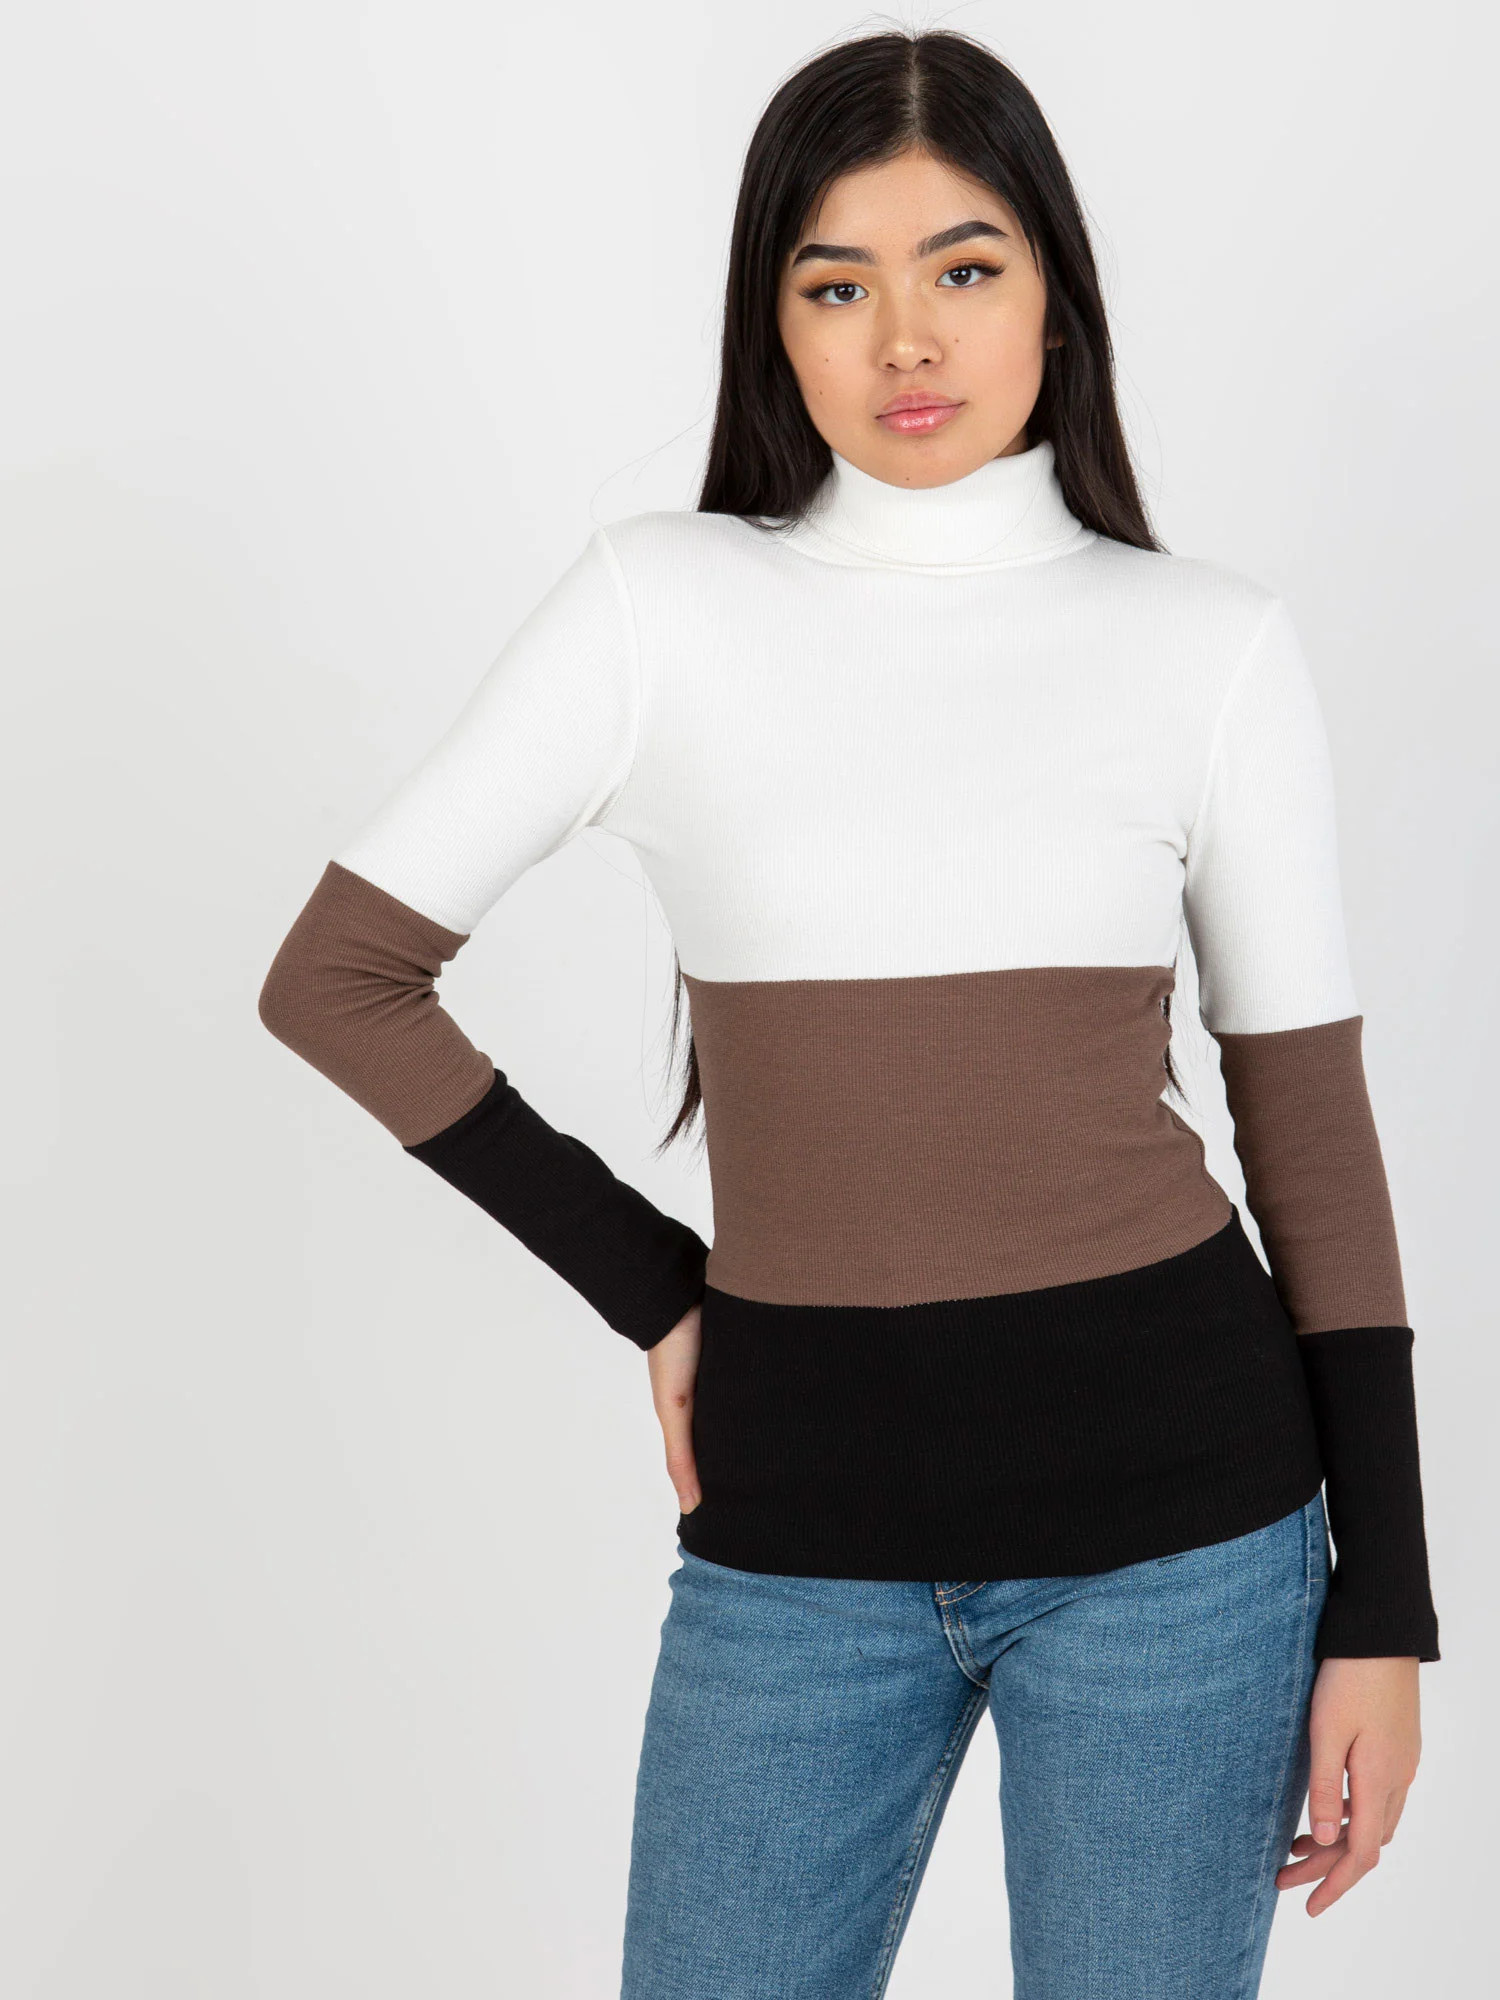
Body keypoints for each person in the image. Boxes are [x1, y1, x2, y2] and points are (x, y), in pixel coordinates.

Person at [258, 26, 1439, 1998]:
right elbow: (338, 979)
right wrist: (660, 1288)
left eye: (964, 266)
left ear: (1053, 294)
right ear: (774, 324)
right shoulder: (656, 612)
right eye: (837, 283)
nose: (908, 337)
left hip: (1186, 1544)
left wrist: (1384, 1607)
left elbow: (1309, 1140)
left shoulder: (1207, 648)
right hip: (796, 1545)